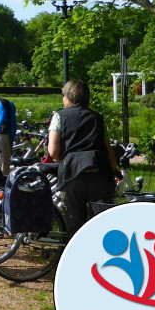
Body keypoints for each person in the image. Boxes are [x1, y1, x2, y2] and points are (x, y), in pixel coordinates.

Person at [48, 79, 117, 233]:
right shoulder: (97, 118)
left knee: (74, 225)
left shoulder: (59, 116)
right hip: (99, 172)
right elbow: (108, 149)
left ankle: (76, 253)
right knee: (100, 225)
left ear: (69, 97)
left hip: (72, 175)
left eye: (63, 96)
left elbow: (52, 150)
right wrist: (113, 170)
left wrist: (65, 160)